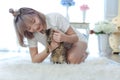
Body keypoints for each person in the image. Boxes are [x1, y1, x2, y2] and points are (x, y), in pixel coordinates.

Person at [9, 7, 88, 64]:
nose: (35, 27)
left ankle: (84, 54)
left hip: (78, 41)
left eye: (33, 21)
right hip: (61, 49)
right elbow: (34, 59)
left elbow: (75, 37)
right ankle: (75, 54)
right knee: (59, 63)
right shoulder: (31, 34)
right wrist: (49, 49)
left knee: (71, 59)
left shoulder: (55, 17)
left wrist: (64, 38)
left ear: (35, 13)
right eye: (29, 28)